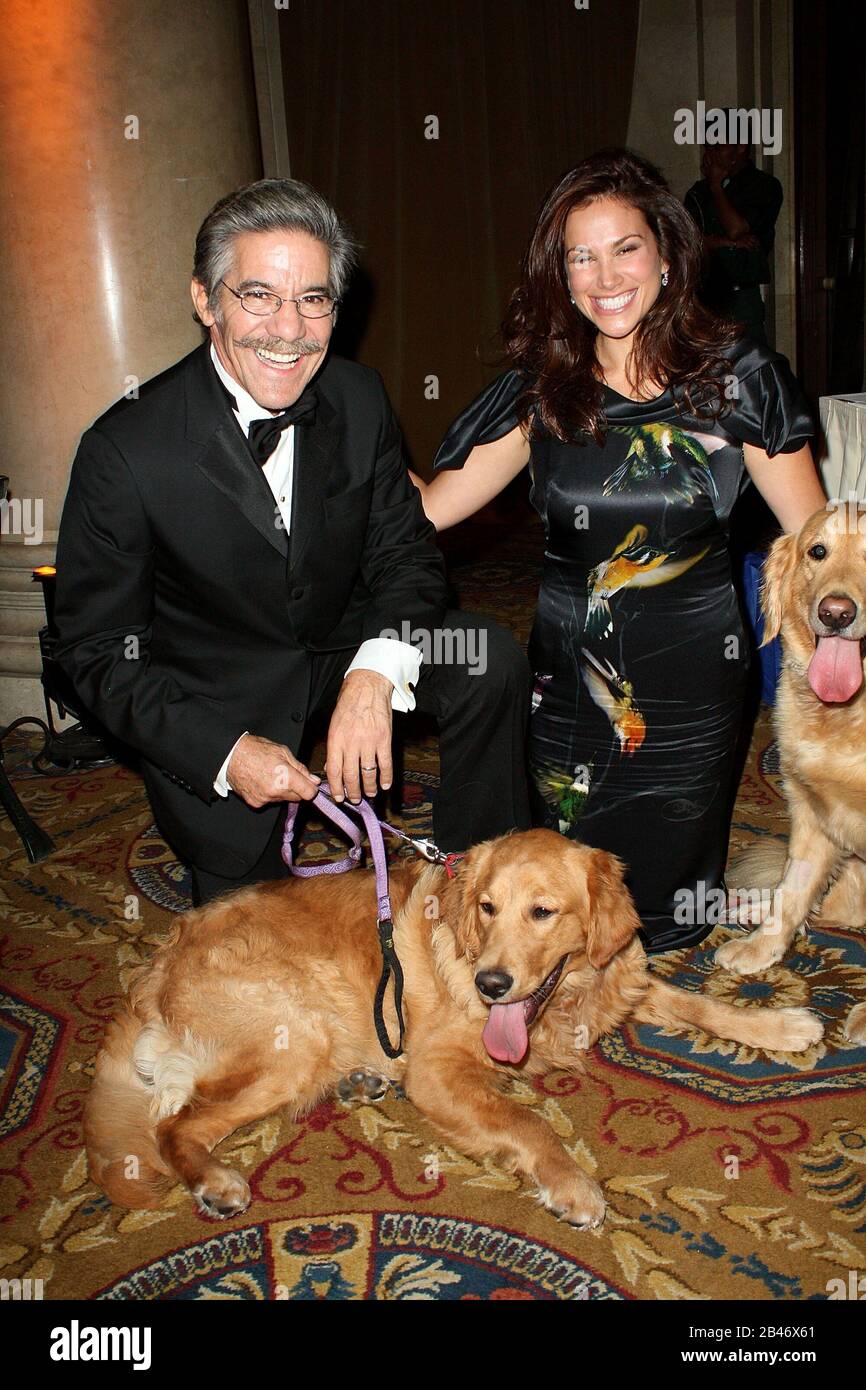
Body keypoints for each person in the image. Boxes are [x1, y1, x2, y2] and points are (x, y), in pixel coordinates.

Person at [54, 179, 531, 906]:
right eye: (258, 296)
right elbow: (94, 652)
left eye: (313, 299)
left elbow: (407, 554)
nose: (289, 329)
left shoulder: (357, 396)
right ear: (205, 301)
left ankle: (483, 889)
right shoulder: (124, 451)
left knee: (487, 658)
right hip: (216, 697)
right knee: (266, 960)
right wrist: (225, 753)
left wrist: (374, 673)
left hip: (340, 643)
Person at [411, 148, 825, 953]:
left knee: (665, 923)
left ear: (667, 257)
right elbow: (431, 508)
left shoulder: (738, 380)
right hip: (570, 684)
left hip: (697, 680)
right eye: (581, 256)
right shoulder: (541, 391)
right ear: (561, 277)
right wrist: (341, 427)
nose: (605, 276)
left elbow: (814, 543)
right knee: (571, 899)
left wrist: (825, 662)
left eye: (625, 248)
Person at [684, 129, 783, 345]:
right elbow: (686, 241)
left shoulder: (763, 186)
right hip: (703, 296)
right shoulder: (698, 193)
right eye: (707, 147)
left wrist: (716, 187)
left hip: (742, 299)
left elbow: (737, 229)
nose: (710, 155)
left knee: (748, 367)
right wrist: (725, 243)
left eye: (717, 147)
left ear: (740, 148)